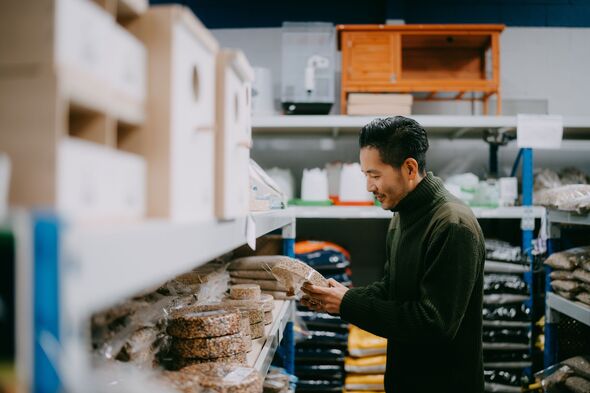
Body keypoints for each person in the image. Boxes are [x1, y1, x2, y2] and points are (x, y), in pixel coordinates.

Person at [302, 116, 486, 393]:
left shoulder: (451, 225)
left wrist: (348, 304)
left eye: (375, 175)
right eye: (366, 175)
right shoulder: (401, 216)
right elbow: (392, 289)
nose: (369, 187)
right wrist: (340, 296)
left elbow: (433, 323)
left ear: (409, 168)